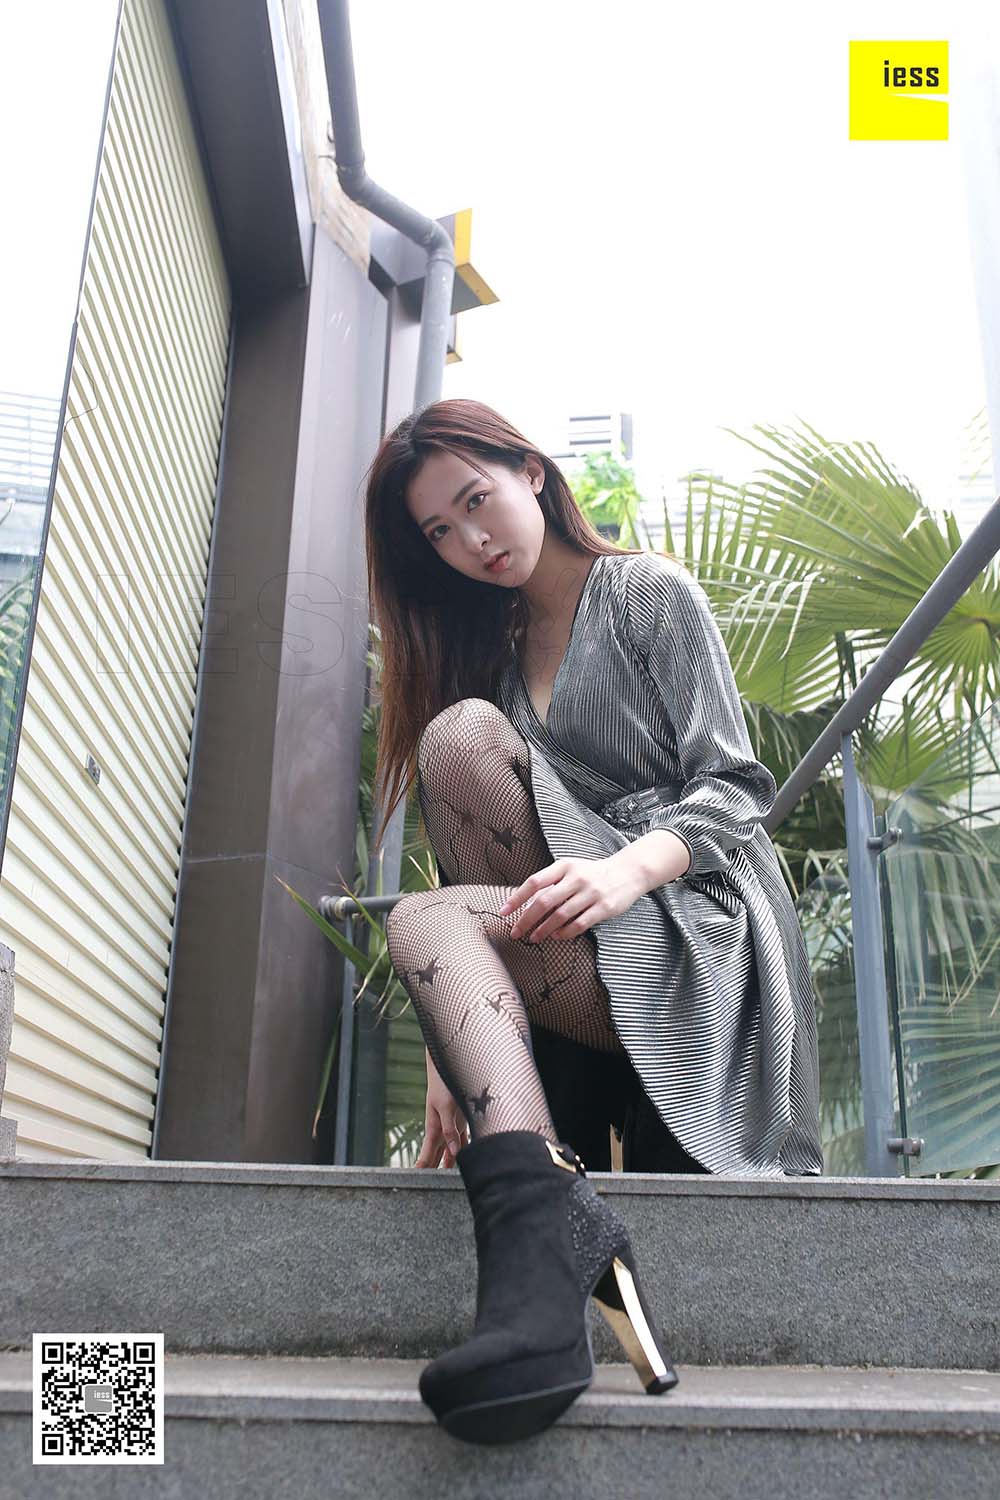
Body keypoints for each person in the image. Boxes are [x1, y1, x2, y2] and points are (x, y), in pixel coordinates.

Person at [363, 397, 823, 1444]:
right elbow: (468, 874)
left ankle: (542, 1254)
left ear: (531, 471)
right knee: (454, 755)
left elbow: (734, 790)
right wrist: (451, 1040)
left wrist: (623, 873)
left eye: (476, 500)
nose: (472, 541)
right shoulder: (494, 656)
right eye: (440, 531)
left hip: (697, 924)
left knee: (457, 756)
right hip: (578, 941)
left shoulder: (647, 593)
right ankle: (544, 1234)